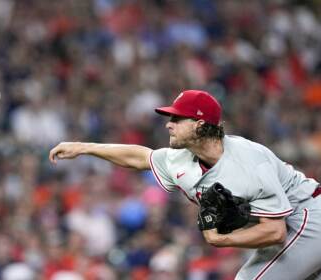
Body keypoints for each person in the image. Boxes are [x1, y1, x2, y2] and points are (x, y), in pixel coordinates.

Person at [49, 90, 321, 280]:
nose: (169, 124)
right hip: (290, 226)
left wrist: (221, 239)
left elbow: (275, 232)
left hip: (307, 218)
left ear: (201, 125)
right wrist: (84, 147)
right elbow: (139, 157)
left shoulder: (249, 160)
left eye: (178, 119)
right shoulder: (180, 158)